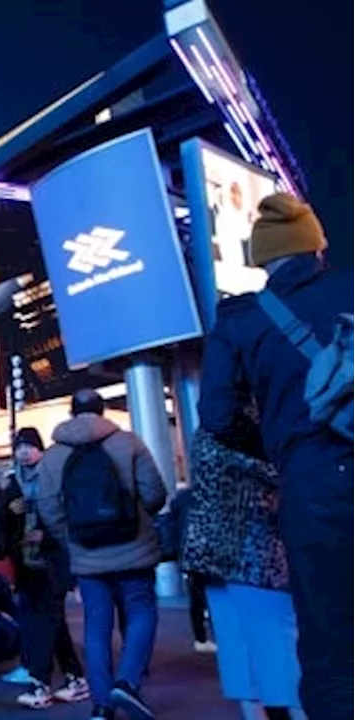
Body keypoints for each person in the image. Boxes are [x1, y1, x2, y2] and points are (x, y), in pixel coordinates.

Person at [198, 193, 354, 720]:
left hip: (312, 488)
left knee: (331, 645)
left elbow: (217, 417)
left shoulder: (240, 320)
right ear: (316, 247)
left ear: (261, 257)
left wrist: (277, 444)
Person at [36, 389, 167, 720]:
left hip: (86, 552)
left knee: (96, 625)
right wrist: (135, 519)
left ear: (71, 412)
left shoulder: (53, 456)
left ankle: (101, 705)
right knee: (141, 611)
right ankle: (127, 681)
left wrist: (72, 538)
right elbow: (155, 493)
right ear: (102, 410)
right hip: (133, 547)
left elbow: (49, 509)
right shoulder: (129, 442)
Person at [185, 428, 300, 720]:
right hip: (258, 551)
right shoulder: (260, 434)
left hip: (213, 553)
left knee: (240, 654)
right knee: (284, 651)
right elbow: (291, 475)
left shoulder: (207, 431)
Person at [4, 427, 89, 710]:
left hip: (52, 559)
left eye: (29, 446)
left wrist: (48, 537)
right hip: (26, 563)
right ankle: (74, 677)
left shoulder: (52, 476)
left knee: (45, 620)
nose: (24, 452)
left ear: (40, 448)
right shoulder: (12, 481)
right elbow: (3, 524)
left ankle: (39, 680)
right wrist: (9, 512)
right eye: (19, 447)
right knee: (51, 621)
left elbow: (64, 518)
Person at [169, 484, 214, 654]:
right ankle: (210, 634)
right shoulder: (213, 493)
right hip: (210, 550)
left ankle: (200, 637)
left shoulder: (183, 497)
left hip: (189, 550)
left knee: (196, 594)